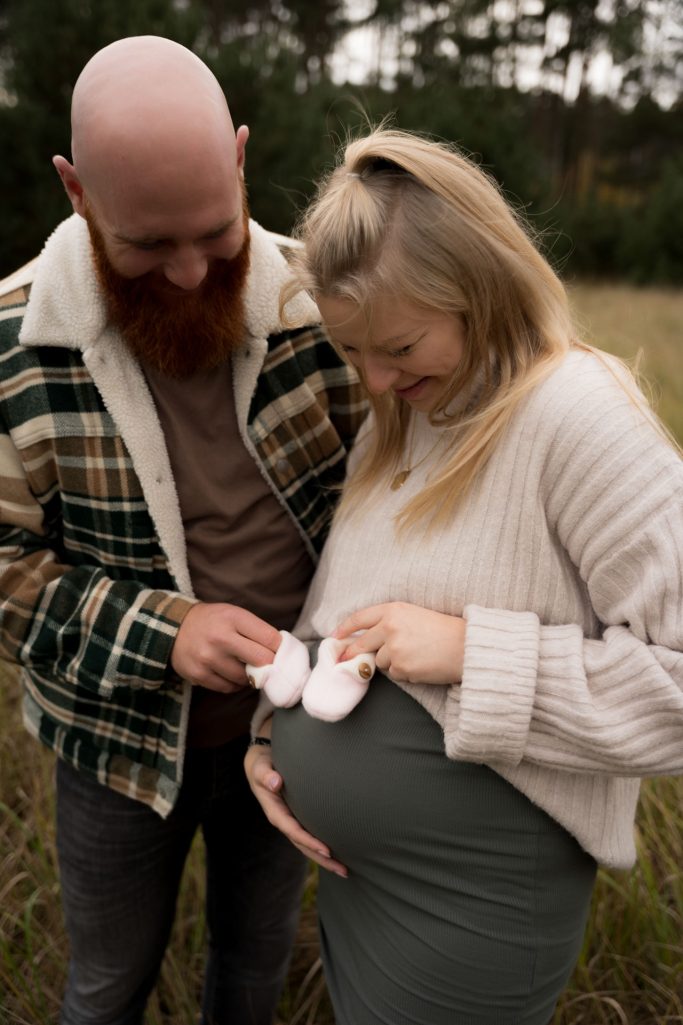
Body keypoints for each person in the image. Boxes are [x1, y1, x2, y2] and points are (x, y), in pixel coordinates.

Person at [245, 128, 683, 1025]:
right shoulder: (403, 415)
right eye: (353, 351)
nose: (372, 376)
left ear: (479, 290)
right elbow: (333, 610)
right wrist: (269, 734)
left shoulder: (580, 415)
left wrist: (472, 652)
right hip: (358, 881)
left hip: (474, 898)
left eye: (397, 346)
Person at [0, 35, 366, 1025]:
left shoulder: (318, 304)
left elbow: (387, 489)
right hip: (116, 750)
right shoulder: (14, 350)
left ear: (239, 157)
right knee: (107, 983)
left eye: (214, 227)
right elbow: (5, 568)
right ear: (74, 188)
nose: (193, 270)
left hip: (296, 728)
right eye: (149, 244)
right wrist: (169, 630)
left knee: (252, 969)